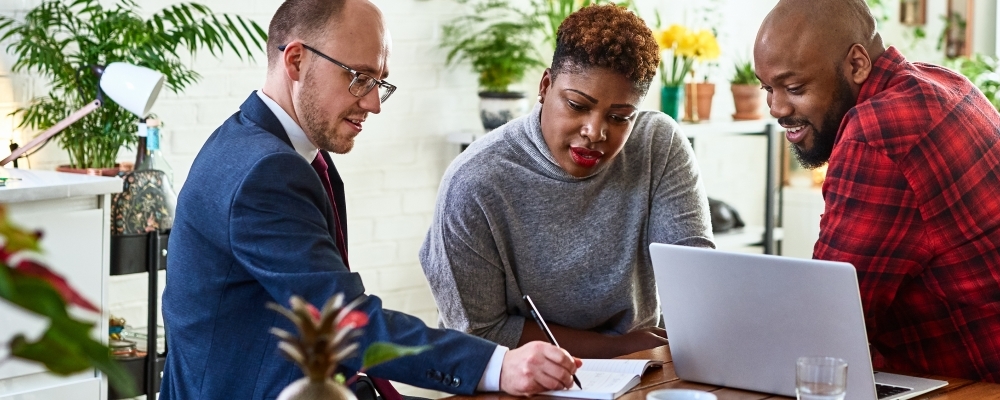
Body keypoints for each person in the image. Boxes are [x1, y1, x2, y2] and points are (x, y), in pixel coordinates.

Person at [160, 0, 581, 398]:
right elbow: (342, 322)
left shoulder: (259, 145)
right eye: (359, 77)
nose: (374, 103)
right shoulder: (265, 172)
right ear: (296, 60)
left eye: (380, 82)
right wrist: (498, 366)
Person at [753, 0, 1000, 399]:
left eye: (794, 88)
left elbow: (824, 325)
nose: (777, 108)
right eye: (767, 88)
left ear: (857, 64)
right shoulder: (942, 84)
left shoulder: (880, 131)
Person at [420, 5, 712, 359]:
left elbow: (695, 281)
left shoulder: (657, 144)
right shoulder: (474, 181)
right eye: (577, 105)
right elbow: (478, 332)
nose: (595, 132)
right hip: (516, 382)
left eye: (619, 117)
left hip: (638, 372)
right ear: (545, 86)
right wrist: (615, 347)